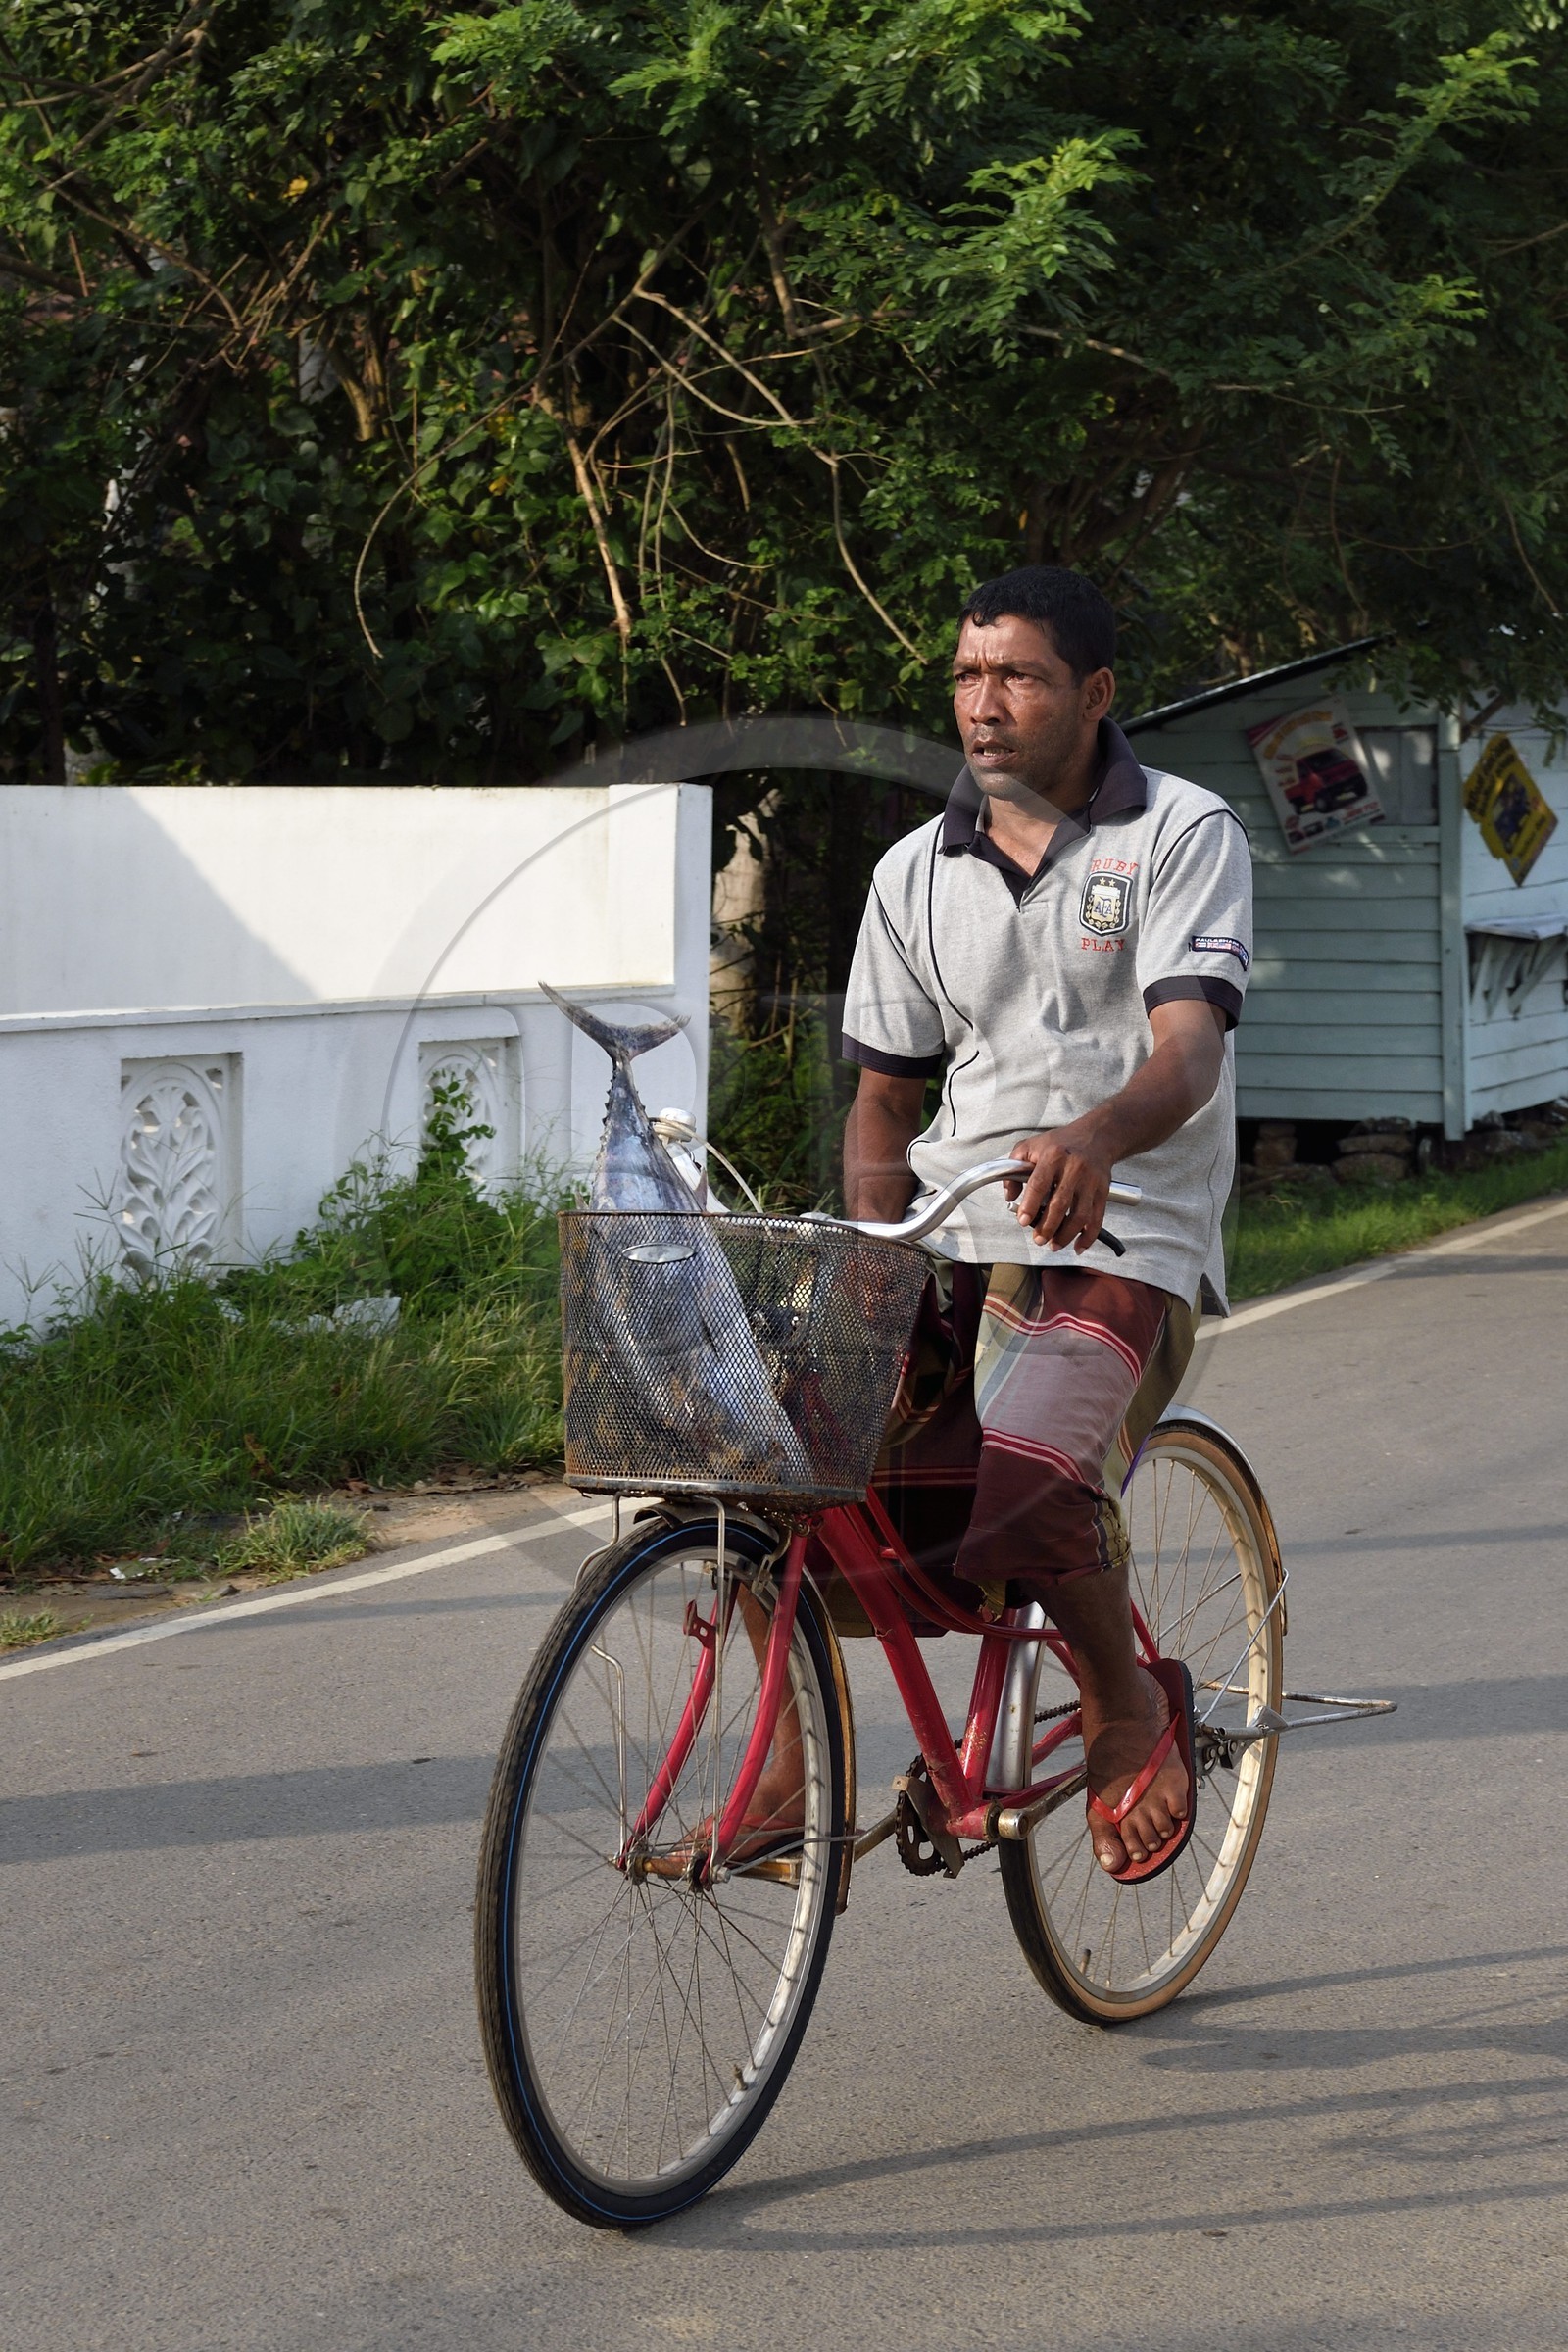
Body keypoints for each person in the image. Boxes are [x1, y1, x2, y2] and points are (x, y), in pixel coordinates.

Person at [830, 564, 1252, 1879]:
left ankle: (1128, 1701)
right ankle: (785, 1759)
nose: (985, 703)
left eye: (1017, 675)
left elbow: (1188, 1053)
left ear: (1095, 694)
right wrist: (870, 1260)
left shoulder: (1182, 833)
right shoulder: (914, 871)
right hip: (961, 1226)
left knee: (1024, 1492)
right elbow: (884, 1106)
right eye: (966, 675)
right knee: (770, 1461)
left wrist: (1098, 1135)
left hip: (1128, 1223)